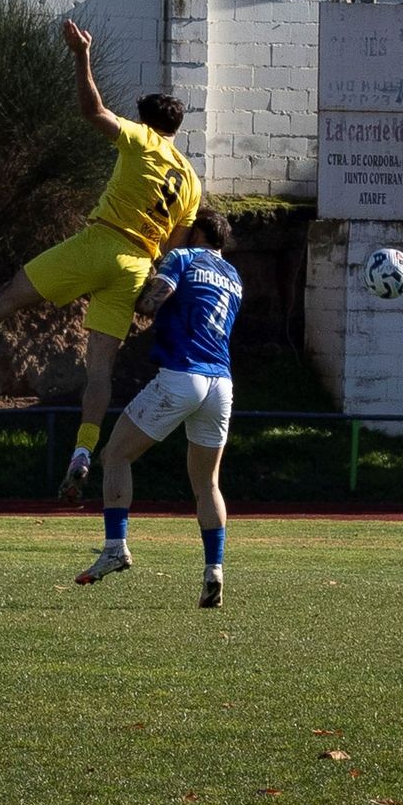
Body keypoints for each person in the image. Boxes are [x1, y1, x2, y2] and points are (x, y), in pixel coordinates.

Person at [0, 19, 201, 501]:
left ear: (145, 121)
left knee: (8, 297)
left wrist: (81, 56)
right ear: (178, 130)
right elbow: (177, 247)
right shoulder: (192, 181)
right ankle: (83, 449)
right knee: (100, 371)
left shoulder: (139, 139)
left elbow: (91, 109)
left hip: (100, 242)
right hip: (139, 263)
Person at [74, 207, 241, 608]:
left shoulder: (183, 256)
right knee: (208, 483)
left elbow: (152, 301)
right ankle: (214, 570)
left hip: (183, 374)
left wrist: (122, 290)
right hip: (221, 384)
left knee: (115, 454)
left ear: (196, 233)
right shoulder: (234, 276)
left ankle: (116, 547)